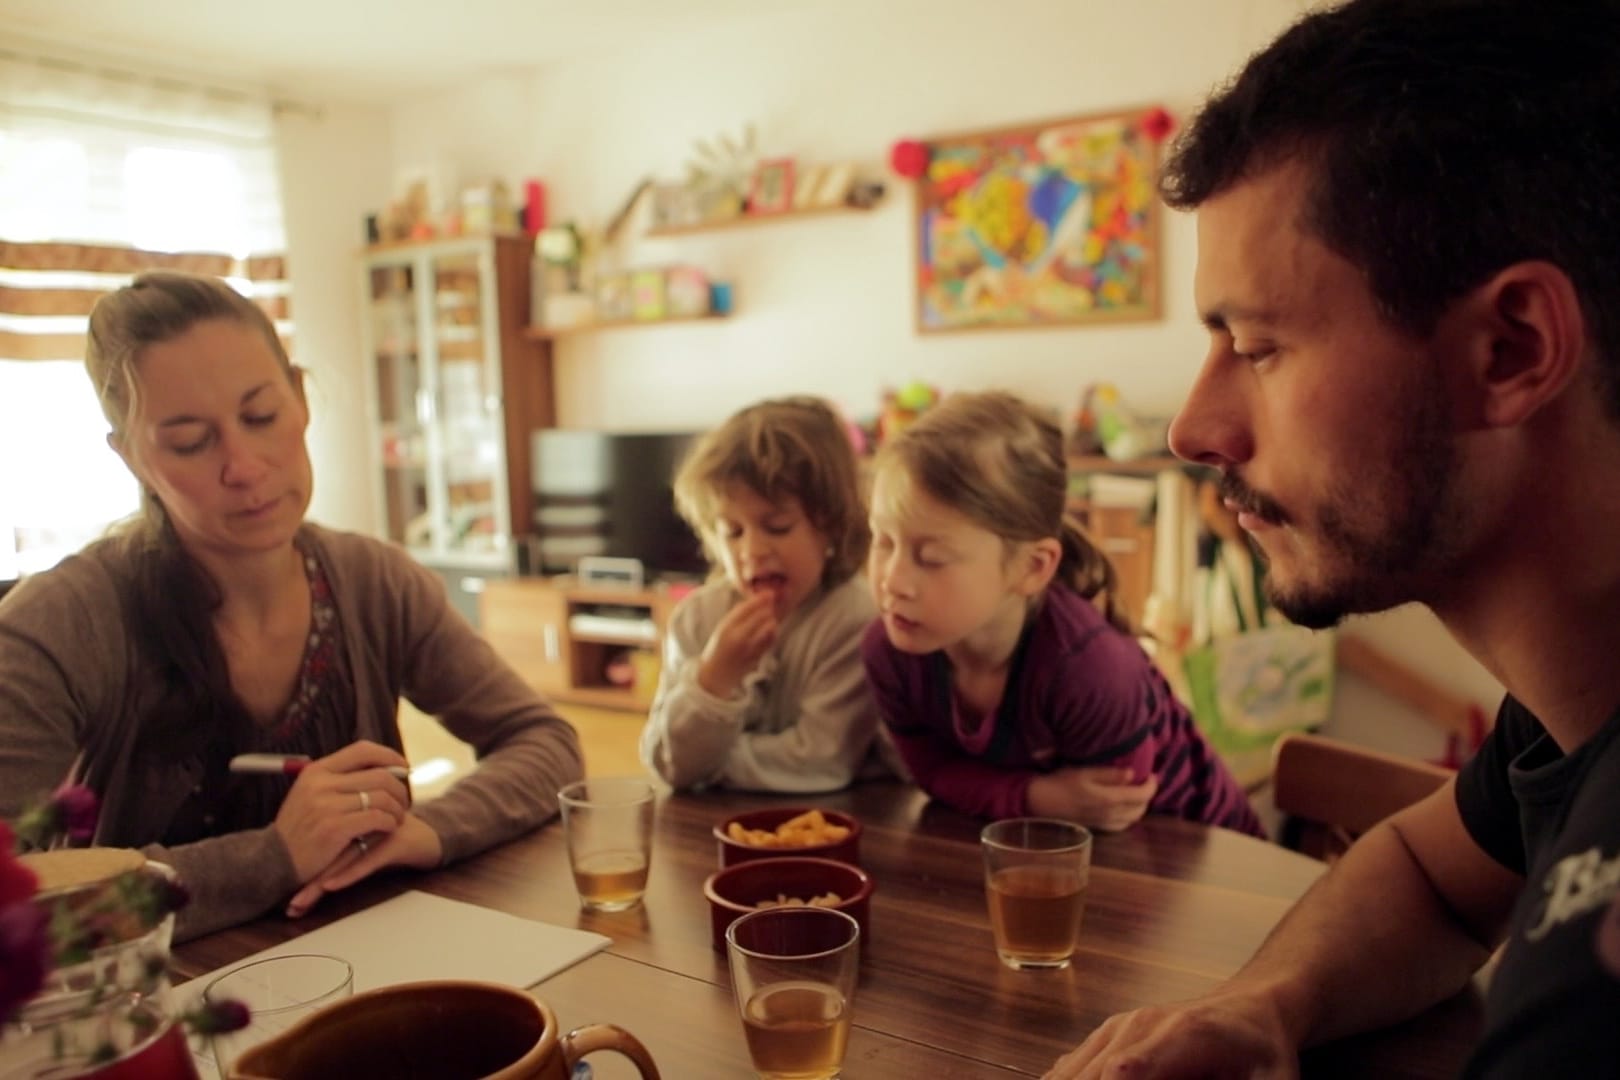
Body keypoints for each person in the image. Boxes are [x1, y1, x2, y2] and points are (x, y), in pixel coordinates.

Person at [1045, 1, 1620, 1076]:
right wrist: (1266, 1003)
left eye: (1255, 346)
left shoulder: (1587, 1016)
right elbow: (1428, 871)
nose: (1193, 430)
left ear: (1510, 350)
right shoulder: (1572, 707)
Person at [0, 271, 584, 941]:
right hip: (154, 1019)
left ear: (301, 401)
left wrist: (430, 829)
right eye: (190, 441)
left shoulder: (374, 582)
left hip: (373, 975)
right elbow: (12, 906)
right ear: (131, 456)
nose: (244, 466)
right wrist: (274, 856)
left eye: (261, 416)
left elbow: (546, 743)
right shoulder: (62, 624)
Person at [862, 391, 1263, 837]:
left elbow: (1114, 816)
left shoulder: (1090, 668)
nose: (891, 580)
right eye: (883, 541)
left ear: (1031, 567)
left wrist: (1019, 798)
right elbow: (934, 774)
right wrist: (1038, 797)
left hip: (1207, 852)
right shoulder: (889, 650)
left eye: (932, 557)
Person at [639, 396, 888, 792]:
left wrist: (709, 766)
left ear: (832, 527)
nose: (751, 551)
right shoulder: (698, 619)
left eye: (777, 526)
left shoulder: (854, 618)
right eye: (732, 531)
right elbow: (666, 761)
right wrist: (714, 679)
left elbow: (821, 761)